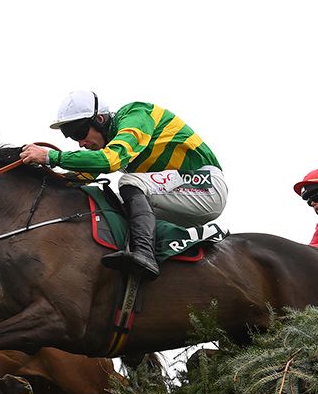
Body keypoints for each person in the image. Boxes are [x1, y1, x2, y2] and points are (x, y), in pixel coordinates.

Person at [20, 90, 228, 280]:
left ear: (100, 119)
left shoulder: (135, 114)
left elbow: (111, 161)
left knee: (129, 182)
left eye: (79, 133)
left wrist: (50, 156)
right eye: (72, 137)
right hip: (178, 195)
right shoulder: (112, 140)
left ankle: (144, 254)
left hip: (205, 185)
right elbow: (83, 175)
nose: (80, 143)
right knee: (111, 207)